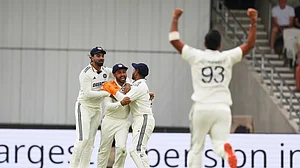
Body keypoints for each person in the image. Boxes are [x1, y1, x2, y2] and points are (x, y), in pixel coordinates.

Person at [168, 8, 257, 168]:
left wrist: (175, 18)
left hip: (202, 107)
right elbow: (250, 44)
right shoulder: (227, 57)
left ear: (204, 44)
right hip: (222, 108)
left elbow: (174, 41)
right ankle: (226, 151)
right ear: (220, 45)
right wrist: (253, 22)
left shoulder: (196, 56)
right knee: (220, 144)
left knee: (196, 148)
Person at [101, 63, 155, 168]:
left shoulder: (138, 86)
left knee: (135, 151)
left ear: (137, 72)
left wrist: (110, 89)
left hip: (143, 118)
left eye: (134, 70)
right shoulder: (137, 85)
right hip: (140, 119)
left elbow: (125, 99)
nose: (132, 72)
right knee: (140, 151)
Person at [69, 46, 113, 168]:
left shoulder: (105, 71)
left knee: (90, 142)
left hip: (97, 108)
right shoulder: (86, 73)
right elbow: (88, 93)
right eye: (98, 56)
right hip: (84, 107)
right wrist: (107, 93)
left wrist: (132, 84)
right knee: (82, 139)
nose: (101, 58)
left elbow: (119, 75)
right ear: (92, 57)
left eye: (102, 55)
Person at [97, 63, 132, 168]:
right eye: (119, 72)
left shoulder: (130, 84)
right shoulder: (109, 85)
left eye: (124, 72)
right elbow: (108, 106)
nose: (122, 74)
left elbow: (137, 87)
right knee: (104, 151)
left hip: (123, 122)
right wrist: (121, 103)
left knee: (122, 149)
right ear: (114, 74)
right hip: (109, 120)